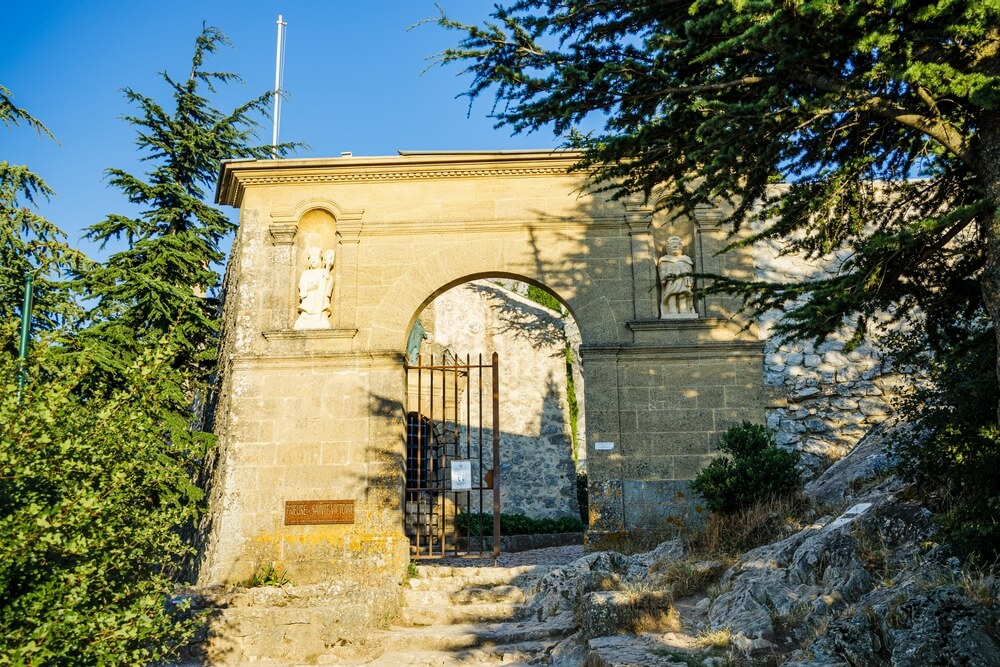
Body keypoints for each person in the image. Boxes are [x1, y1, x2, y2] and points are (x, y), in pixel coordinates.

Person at [293, 246, 333, 329]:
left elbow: (329, 282)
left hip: (319, 297)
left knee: (321, 307)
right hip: (309, 297)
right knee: (307, 310)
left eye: (315, 259)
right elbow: (301, 284)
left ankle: (321, 317)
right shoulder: (306, 273)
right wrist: (307, 288)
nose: (313, 261)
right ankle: (306, 319)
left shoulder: (323, 272)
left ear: (320, 260)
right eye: (311, 259)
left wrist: (328, 278)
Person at [657, 235, 695, 317]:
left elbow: (690, 272)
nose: (675, 246)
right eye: (672, 244)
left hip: (682, 282)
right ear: (668, 248)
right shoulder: (664, 260)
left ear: (681, 247)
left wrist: (687, 274)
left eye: (677, 244)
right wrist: (666, 275)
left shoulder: (686, 259)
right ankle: (672, 309)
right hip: (671, 282)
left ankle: (683, 309)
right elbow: (662, 272)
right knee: (671, 294)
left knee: (683, 293)